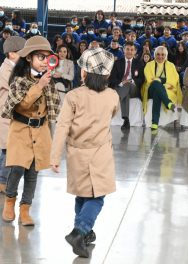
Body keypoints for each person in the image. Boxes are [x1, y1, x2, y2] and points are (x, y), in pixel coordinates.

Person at [50, 47, 119, 258]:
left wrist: (54, 157)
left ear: (84, 73)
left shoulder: (73, 96)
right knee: (97, 196)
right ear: (107, 74)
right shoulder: (112, 96)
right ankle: (79, 232)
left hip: (77, 153)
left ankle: (84, 233)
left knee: (82, 194)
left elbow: (62, 127)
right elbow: (113, 115)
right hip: (100, 153)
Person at [1, 36, 61, 226]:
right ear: (29, 58)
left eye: (47, 57)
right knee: (17, 168)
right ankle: (9, 201)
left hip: (41, 131)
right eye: (40, 57)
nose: (44, 61)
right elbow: (23, 105)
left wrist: (47, 84)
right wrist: (40, 85)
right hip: (20, 131)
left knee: (33, 174)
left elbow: (53, 106)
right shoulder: (19, 80)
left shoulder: (48, 80)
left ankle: (25, 209)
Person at [0, 36, 26, 193]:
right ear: (11, 54)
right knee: (10, 149)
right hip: (2, 113)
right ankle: (3, 182)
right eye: (22, 53)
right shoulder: (6, 69)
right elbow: (16, 88)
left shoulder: (12, 67)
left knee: (6, 149)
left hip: (4, 113)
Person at [141, 46, 182, 130]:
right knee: (156, 84)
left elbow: (174, 80)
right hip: (150, 89)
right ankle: (168, 102)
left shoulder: (171, 65)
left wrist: (160, 82)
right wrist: (161, 81)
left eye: (163, 54)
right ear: (155, 55)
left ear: (166, 55)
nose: (160, 57)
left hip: (166, 90)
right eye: (158, 54)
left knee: (158, 93)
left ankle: (155, 123)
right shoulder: (149, 65)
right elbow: (149, 80)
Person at [109, 41, 145, 129]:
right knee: (126, 91)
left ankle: (114, 99)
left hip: (134, 88)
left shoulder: (139, 63)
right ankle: (126, 120)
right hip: (121, 87)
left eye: (132, 50)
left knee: (128, 85)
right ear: (123, 50)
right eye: (127, 49)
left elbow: (141, 79)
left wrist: (131, 81)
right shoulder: (117, 63)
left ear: (135, 52)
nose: (129, 52)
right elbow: (112, 78)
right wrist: (122, 82)